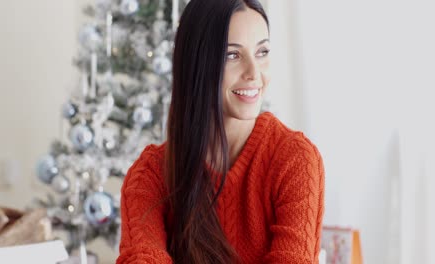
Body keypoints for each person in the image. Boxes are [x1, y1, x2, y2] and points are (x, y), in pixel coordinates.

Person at [115, 0, 324, 263]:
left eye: (262, 52)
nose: (254, 73)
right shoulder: (151, 175)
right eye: (232, 55)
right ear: (198, 63)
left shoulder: (295, 160)